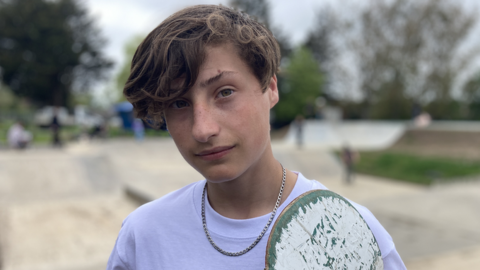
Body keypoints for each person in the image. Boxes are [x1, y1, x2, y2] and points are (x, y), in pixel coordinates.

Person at [107, 5, 406, 269]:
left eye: (224, 92)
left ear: (271, 87)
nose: (203, 129)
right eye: (178, 103)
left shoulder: (351, 231)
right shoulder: (142, 237)